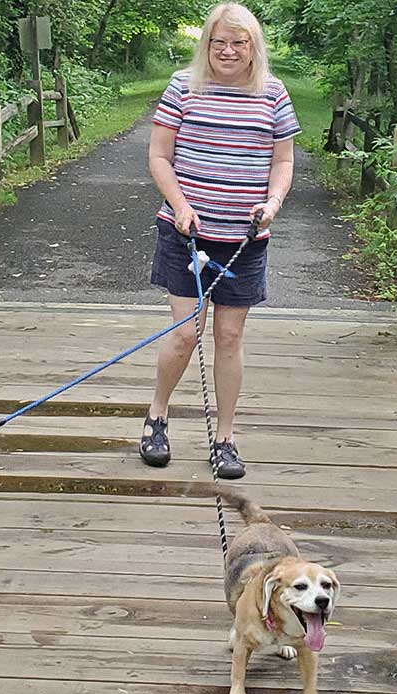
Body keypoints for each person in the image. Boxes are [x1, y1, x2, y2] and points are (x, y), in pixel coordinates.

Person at [139, 2, 300, 480]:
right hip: (185, 234)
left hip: (245, 240)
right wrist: (181, 205)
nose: (228, 51)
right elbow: (159, 156)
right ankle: (157, 416)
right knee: (186, 333)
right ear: (206, 45)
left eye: (239, 42)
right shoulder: (182, 87)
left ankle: (225, 438)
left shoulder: (273, 93)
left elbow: (284, 162)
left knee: (229, 337)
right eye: (219, 42)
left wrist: (271, 203)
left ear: (253, 48)